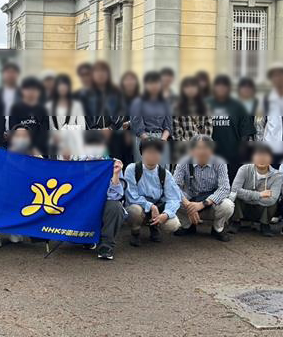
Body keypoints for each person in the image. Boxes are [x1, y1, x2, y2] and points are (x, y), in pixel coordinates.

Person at [0, 124, 35, 248]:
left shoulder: (33, 158)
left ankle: (13, 228)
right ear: (11, 138)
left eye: (24, 136)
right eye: (18, 136)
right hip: (0, 196)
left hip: (21, 197)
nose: (21, 139)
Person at [71, 130, 125, 261]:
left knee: (115, 207)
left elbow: (116, 196)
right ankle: (85, 238)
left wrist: (116, 175)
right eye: (90, 144)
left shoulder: (113, 164)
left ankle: (106, 245)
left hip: (103, 205)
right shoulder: (76, 164)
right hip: (82, 205)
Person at [172, 135, 234, 242]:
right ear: (191, 150)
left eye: (206, 148)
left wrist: (202, 204)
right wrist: (188, 205)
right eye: (198, 148)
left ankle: (218, 228)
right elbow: (174, 186)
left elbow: (224, 188)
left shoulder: (219, 163)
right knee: (172, 199)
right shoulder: (184, 162)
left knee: (228, 205)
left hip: (210, 202)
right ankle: (187, 225)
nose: (202, 152)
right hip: (190, 200)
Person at [123, 138, 182, 246]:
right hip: (138, 206)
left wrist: (166, 214)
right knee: (134, 211)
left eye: (156, 152)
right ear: (141, 153)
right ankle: (135, 232)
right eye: (148, 152)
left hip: (157, 208)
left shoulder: (165, 173)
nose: (152, 155)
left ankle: (154, 226)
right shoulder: (132, 169)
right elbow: (131, 196)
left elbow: (174, 198)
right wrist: (151, 206)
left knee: (173, 224)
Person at [229, 143, 283, 236]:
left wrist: (246, 195)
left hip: (261, 208)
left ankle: (265, 224)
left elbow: (272, 199)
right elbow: (235, 190)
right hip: (243, 205)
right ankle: (236, 222)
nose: (261, 159)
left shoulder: (277, 176)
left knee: (274, 202)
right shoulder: (244, 169)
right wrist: (260, 194)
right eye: (258, 155)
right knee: (234, 196)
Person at [208, 74, 254, 182]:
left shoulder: (238, 106)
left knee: (232, 183)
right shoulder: (207, 104)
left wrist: (241, 150)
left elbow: (246, 130)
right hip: (211, 153)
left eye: (224, 86)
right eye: (218, 85)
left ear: (229, 88)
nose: (221, 88)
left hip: (233, 153)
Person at [129, 71, 172, 165]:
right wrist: (148, 140)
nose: (154, 86)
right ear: (145, 85)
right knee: (143, 168)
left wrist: (163, 140)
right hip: (144, 139)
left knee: (162, 170)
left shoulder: (165, 103)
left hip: (161, 139)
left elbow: (168, 125)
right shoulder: (138, 102)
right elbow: (136, 124)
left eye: (156, 83)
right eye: (151, 83)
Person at [172, 76, 213, 160]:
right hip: (182, 152)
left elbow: (208, 129)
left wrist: (200, 146)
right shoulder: (177, 107)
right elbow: (176, 133)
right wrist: (191, 147)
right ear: (183, 89)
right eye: (187, 87)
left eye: (193, 86)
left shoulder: (205, 107)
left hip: (202, 151)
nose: (190, 89)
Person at [46, 74, 86, 158]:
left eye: (65, 85)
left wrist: (65, 132)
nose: (62, 88)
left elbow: (82, 126)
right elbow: (46, 125)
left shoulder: (76, 105)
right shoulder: (48, 106)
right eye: (60, 85)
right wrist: (54, 136)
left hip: (72, 146)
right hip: (54, 146)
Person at [79, 60, 124, 134]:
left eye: (103, 71)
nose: (100, 74)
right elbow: (84, 115)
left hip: (114, 134)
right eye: (97, 71)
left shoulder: (116, 92)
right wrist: (95, 131)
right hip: (91, 136)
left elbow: (122, 112)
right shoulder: (85, 95)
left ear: (108, 74)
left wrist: (110, 128)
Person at [9, 77, 50, 156]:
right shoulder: (16, 108)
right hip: (20, 149)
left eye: (34, 89)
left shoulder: (42, 110)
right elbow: (13, 128)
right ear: (22, 91)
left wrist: (34, 148)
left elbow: (44, 132)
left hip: (39, 151)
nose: (31, 92)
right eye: (28, 89)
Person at [0, 61, 21, 133]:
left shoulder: (22, 94)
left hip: (18, 135)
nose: (10, 75)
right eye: (8, 72)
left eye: (13, 72)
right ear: (3, 74)